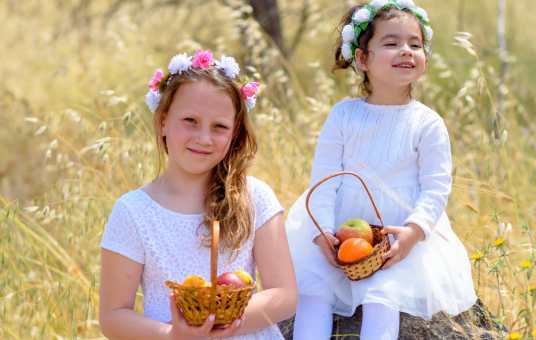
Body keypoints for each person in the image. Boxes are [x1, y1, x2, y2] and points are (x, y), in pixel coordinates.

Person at [285, 1, 477, 339]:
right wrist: (322, 233)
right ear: (362, 59)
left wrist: (414, 233)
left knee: (383, 295)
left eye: (415, 44)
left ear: (425, 57)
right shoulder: (343, 116)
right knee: (312, 289)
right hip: (341, 231)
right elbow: (324, 181)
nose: (406, 51)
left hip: (398, 235)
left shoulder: (428, 123)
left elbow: (436, 188)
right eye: (391, 43)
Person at [98, 49, 297, 339]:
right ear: (163, 121)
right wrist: (173, 335)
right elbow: (113, 317)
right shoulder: (133, 211)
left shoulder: (255, 197)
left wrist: (221, 325)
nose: (203, 138)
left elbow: (284, 294)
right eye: (190, 120)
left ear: (234, 133)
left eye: (219, 126)